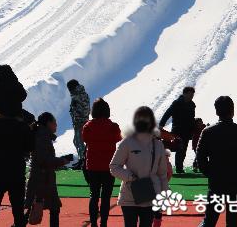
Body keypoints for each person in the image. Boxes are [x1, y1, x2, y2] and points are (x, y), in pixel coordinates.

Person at [195, 96, 237, 227]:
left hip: (216, 182)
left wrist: (210, 173)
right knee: (233, 221)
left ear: (217, 112)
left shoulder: (207, 132)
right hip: (236, 183)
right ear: (232, 111)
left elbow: (200, 157)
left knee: (209, 220)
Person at [110, 106, 168, 227]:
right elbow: (114, 166)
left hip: (149, 196)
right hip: (130, 196)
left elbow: (163, 173)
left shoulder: (158, 145)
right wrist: (131, 177)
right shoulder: (127, 142)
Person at [81, 98, 122, 227]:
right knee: (106, 197)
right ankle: (103, 223)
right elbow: (118, 138)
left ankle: (93, 223)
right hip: (108, 167)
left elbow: (84, 139)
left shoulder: (88, 126)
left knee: (93, 195)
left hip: (92, 166)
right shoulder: (113, 127)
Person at [26, 112, 71, 227]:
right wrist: (62, 161)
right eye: (54, 122)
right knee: (39, 208)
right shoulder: (42, 137)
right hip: (42, 179)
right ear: (48, 123)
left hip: (43, 178)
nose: (56, 125)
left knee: (47, 208)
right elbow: (44, 160)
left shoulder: (42, 135)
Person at [158, 86, 196, 174]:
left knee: (183, 149)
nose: (191, 96)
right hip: (177, 130)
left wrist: (194, 128)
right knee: (176, 148)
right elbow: (167, 113)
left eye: (192, 94)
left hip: (187, 130)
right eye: (190, 94)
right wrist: (161, 125)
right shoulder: (177, 103)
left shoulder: (192, 105)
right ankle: (163, 166)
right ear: (185, 94)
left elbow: (192, 118)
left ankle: (179, 168)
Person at [67, 79, 90, 168]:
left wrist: (77, 117)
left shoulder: (77, 95)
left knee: (78, 141)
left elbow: (81, 109)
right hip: (80, 121)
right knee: (77, 141)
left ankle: (84, 161)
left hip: (80, 122)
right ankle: (82, 160)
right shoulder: (82, 93)